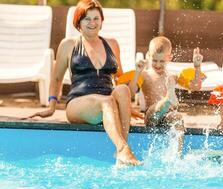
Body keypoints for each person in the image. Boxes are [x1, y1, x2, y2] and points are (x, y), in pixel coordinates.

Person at [28, 0, 141, 166]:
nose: (92, 23)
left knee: (123, 89)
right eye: (87, 19)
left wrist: (126, 106)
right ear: (78, 22)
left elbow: (120, 79)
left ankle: (120, 153)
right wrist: (52, 106)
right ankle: (123, 149)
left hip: (106, 102)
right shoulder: (68, 45)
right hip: (78, 103)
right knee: (107, 101)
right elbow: (57, 78)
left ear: (102, 21)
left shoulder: (112, 44)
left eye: (96, 18)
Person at [129, 36, 204, 153]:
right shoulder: (144, 75)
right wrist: (137, 72)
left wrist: (197, 67)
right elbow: (131, 92)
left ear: (170, 58)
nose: (158, 65)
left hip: (167, 116)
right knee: (163, 104)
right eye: (154, 60)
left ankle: (177, 155)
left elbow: (195, 87)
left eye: (162, 61)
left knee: (177, 118)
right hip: (151, 115)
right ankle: (168, 99)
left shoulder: (172, 76)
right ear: (148, 56)